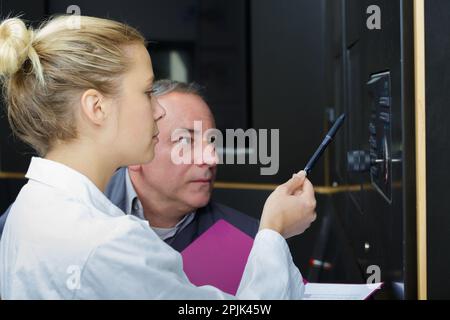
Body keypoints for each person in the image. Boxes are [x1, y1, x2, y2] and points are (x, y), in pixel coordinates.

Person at [0, 15, 316, 299]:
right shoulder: (111, 243)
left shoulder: (27, 208)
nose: (158, 109)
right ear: (97, 108)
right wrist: (272, 231)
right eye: (147, 92)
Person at [105, 79, 259, 252]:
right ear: (134, 152)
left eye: (212, 141)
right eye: (186, 141)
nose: (212, 158)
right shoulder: (79, 212)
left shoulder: (247, 241)